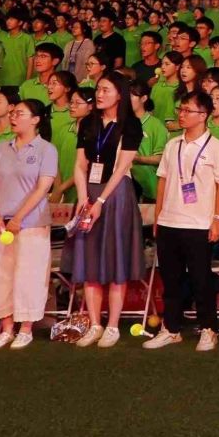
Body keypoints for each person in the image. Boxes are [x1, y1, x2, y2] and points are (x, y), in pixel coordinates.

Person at [64, 71, 145, 347]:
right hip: (89, 191)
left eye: (106, 90)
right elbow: (79, 164)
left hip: (116, 194)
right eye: (98, 89)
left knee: (115, 257)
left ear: (120, 94)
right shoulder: (88, 122)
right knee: (90, 259)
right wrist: (83, 196)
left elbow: (122, 168)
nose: (99, 94)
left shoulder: (130, 125)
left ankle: (112, 326)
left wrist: (100, 201)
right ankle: (95, 324)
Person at [147, 89, 219, 352]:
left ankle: (209, 329)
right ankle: (171, 329)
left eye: (187, 110)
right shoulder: (173, 145)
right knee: (170, 280)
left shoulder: (217, 148)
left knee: (200, 279)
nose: (181, 115)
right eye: (180, 109)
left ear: (203, 115)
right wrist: (158, 216)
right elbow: (162, 181)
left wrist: (218, 219)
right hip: (169, 221)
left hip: (199, 224)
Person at [0, 98, 56, 349]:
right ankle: (6, 328)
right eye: (12, 113)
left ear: (35, 120)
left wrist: (18, 218)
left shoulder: (46, 150)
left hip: (31, 224)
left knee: (29, 274)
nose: (13, 117)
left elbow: (42, 187)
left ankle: (25, 328)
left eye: (20, 114)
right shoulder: (0, 148)